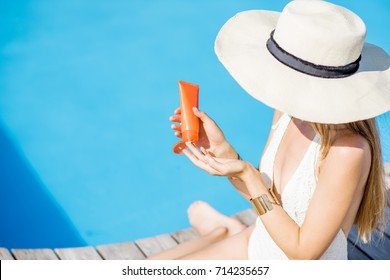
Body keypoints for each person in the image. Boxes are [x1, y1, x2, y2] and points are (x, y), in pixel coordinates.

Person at [152, 0, 390, 259]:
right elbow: (268, 198)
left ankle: (223, 230)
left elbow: (303, 253)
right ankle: (223, 230)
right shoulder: (287, 111)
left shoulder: (346, 150)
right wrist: (224, 152)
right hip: (259, 243)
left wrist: (247, 174)